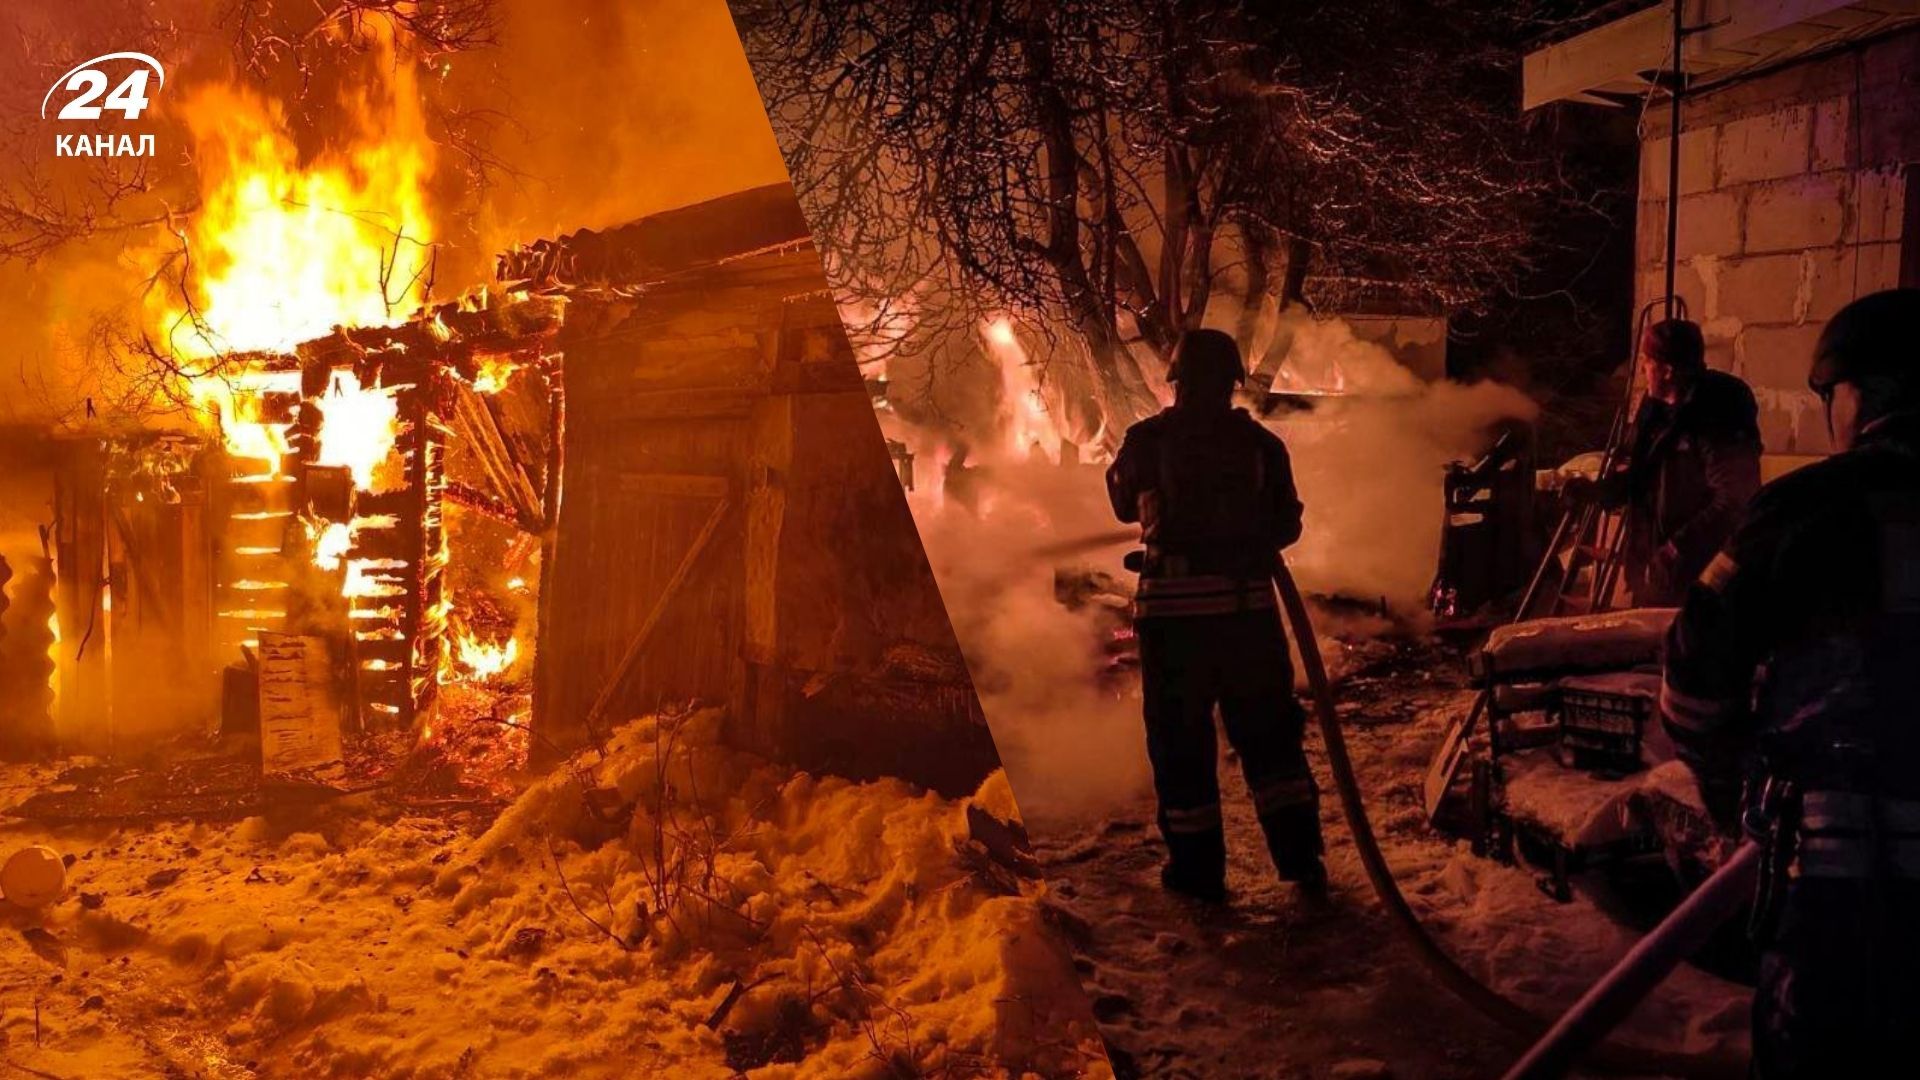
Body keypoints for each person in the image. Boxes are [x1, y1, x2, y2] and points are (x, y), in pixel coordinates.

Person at [1660, 288, 1920, 1076]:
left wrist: (1737, 794)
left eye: (1830, 395)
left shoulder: (1807, 510)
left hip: (1841, 897)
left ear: (1865, 395)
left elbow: (1694, 684)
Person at [1105, 328, 1325, 904]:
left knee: (1182, 751)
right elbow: (1287, 524)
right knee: (1272, 744)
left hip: (1173, 630)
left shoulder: (1146, 442)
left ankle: (1198, 875)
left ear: (1175, 381)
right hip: (1246, 620)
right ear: (1232, 382)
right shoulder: (1262, 447)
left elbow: (1121, 500)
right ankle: (1301, 862)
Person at [1572, 318, 1763, 605]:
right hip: (1653, 573)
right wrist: (1596, 492)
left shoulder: (1716, 414)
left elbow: (1734, 500)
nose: (1643, 370)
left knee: (1684, 645)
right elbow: (1639, 478)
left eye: (1648, 362)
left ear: (1667, 370)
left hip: (1699, 580)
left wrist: (1675, 550)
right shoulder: (1654, 415)